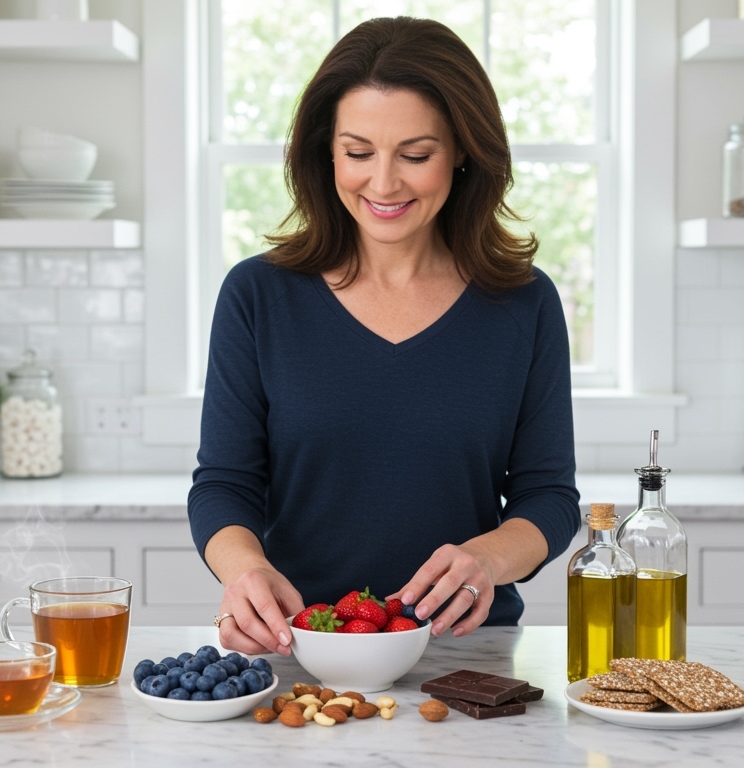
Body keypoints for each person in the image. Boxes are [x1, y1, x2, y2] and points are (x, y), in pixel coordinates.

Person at [188, 16, 579, 658]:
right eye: (358, 152)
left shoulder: (523, 302)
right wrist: (244, 572)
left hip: (466, 651)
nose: (384, 183)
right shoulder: (259, 295)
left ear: (462, 153)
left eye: (416, 155)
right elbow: (225, 483)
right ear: (326, 152)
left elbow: (549, 497)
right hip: (299, 649)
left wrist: (488, 558)